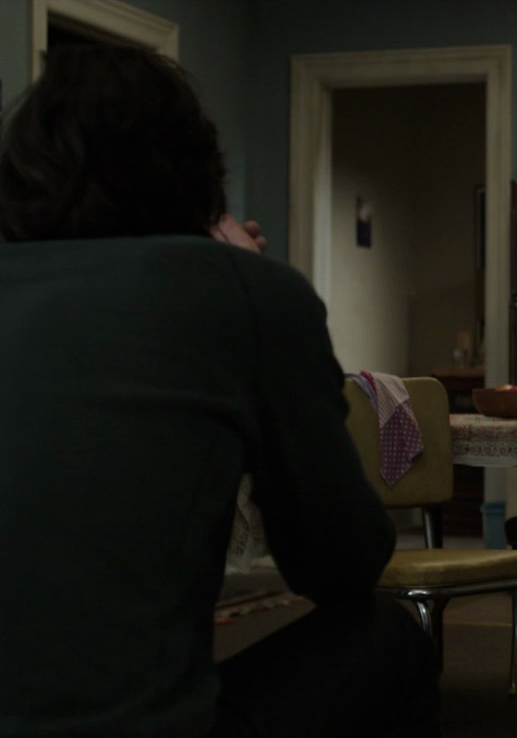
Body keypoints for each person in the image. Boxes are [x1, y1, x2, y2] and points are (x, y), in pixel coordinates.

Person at [0, 45, 440, 737]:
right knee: (389, 635)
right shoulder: (243, 294)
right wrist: (251, 293)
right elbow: (342, 560)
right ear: (198, 176)